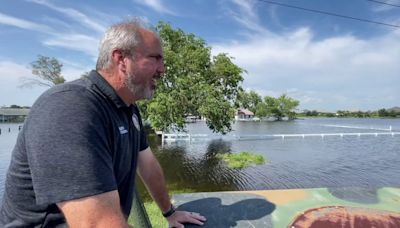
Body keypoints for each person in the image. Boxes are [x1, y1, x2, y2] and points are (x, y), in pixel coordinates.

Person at [0, 19, 206, 228]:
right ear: (121, 59)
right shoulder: (70, 107)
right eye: (155, 58)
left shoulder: (129, 110)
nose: (162, 70)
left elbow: (148, 165)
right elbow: (96, 224)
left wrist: (169, 213)